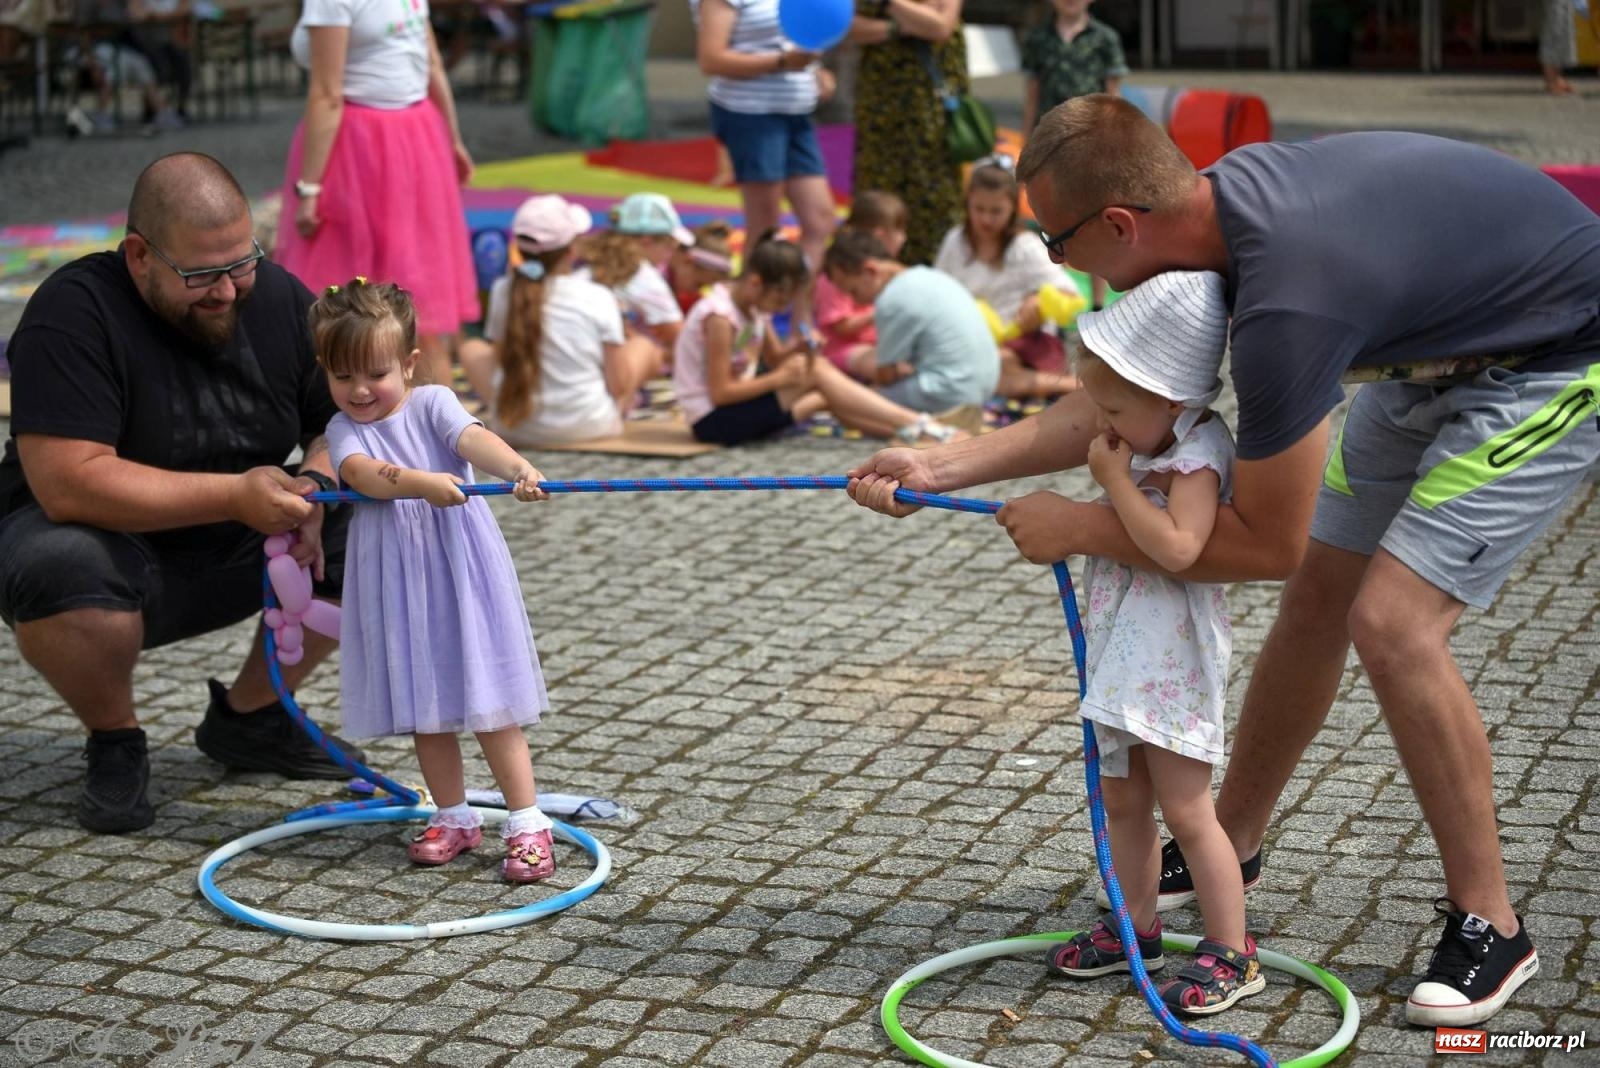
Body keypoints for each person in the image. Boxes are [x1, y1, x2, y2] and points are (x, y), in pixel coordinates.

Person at [850, 94, 1600, 1027]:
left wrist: (1080, 526)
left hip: (1556, 352)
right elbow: (1118, 400)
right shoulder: (1198, 235)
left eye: (1058, 240)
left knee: (1391, 622)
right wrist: (939, 461)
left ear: (1119, 224)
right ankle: (1230, 844)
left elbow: (1263, 546)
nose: (1058, 262)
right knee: (1325, 599)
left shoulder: (1286, 299)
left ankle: (1494, 924)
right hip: (1434, 354)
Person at [0, 152, 365, 835]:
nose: (228, 291)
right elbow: (67, 479)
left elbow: (348, 419)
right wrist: (234, 496)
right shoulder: (73, 313)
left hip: (242, 537)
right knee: (58, 563)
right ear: (140, 254)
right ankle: (115, 737)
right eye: (201, 274)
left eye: (241, 263)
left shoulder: (279, 297)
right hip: (101, 543)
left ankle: (251, 717)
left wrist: (315, 487)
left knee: (373, 513)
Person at [1042, 271, 1261, 1015]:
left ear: (1169, 397)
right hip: (1123, 644)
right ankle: (1134, 925)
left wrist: (1114, 480)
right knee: (1122, 799)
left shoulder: (1196, 452)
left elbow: (1177, 546)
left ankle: (1233, 950)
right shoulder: (1145, 433)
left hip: (1170, 659)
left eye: (1111, 406)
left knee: (1188, 808)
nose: (1099, 422)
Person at [314, 279, 559, 882]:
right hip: (397, 579)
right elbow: (363, 474)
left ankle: (527, 821)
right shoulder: (343, 428)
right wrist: (423, 482)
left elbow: (472, 438)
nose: (360, 390)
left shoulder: (433, 402)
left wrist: (517, 468)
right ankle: (454, 816)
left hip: (459, 571)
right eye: (343, 377)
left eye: (375, 372)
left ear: (409, 363)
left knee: (489, 702)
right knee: (427, 708)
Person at [274, 0, 479, 387]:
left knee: (347, 292)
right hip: (418, 136)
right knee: (417, 289)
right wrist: (451, 141)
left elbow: (327, 94)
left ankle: (349, 410)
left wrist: (310, 188)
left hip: (358, 146)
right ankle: (439, 421)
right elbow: (431, 66)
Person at [674, 233, 966, 446]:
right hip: (712, 421)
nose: (778, 310)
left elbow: (775, 359)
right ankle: (922, 425)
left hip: (734, 413)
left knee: (827, 393)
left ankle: (912, 433)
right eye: (778, 301)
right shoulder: (720, 318)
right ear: (755, 283)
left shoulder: (753, 306)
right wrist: (780, 379)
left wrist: (799, 348)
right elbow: (721, 392)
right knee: (815, 372)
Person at [459, 196, 652, 447]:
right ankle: (623, 409)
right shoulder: (598, 296)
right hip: (590, 426)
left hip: (513, 426)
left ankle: (512, 409)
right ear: (572, 251)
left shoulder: (502, 290)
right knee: (644, 347)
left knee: (471, 348)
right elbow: (619, 384)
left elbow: (500, 357)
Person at [692, 0, 837, 270]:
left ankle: (801, 310)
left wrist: (815, 72)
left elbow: (790, 42)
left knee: (820, 219)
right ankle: (749, 306)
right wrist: (782, 62)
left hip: (795, 111)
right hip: (750, 112)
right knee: (765, 225)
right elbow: (711, 59)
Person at [933, 157, 1082, 398]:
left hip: (1022, 343)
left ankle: (1075, 387)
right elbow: (937, 291)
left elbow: (1069, 292)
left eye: (996, 211)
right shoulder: (955, 240)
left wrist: (1039, 301)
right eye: (979, 209)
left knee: (994, 366)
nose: (986, 219)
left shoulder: (1024, 247)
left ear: (1012, 208)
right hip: (970, 341)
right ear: (967, 203)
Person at [1021, 0, 1127, 311]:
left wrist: (1116, 143)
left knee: (1094, 218)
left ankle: (1097, 303)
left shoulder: (1105, 38)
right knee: (1051, 218)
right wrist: (1027, 148)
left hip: (1091, 141)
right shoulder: (1038, 39)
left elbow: (1113, 97)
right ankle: (1056, 300)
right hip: (1050, 143)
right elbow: (1031, 98)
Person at [822, 229, 999, 413]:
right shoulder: (928, 275)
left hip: (950, 391)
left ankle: (932, 428)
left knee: (852, 406)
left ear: (871, 270)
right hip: (985, 386)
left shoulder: (891, 300)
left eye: (854, 291)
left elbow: (885, 375)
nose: (855, 301)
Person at [848, 0, 966, 266]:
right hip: (880, 108)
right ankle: (872, 274)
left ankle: (936, 278)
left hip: (931, 109)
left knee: (936, 199)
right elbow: (848, 28)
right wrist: (903, 26)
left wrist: (888, 4)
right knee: (877, 199)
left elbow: (941, 27)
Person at [579, 193, 691, 375]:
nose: (670, 254)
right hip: (604, 374)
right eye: (670, 245)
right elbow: (685, 342)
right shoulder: (644, 278)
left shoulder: (585, 261)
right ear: (646, 241)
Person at [814, 190, 906, 381]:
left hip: (879, 344)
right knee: (876, 363)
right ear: (879, 235)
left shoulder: (888, 271)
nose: (903, 238)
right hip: (844, 349)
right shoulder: (837, 276)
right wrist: (876, 314)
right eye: (899, 231)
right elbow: (842, 327)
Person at [665, 219, 736, 316]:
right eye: (699, 284)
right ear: (687, 261)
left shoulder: (678, 290)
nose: (696, 292)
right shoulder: (656, 281)